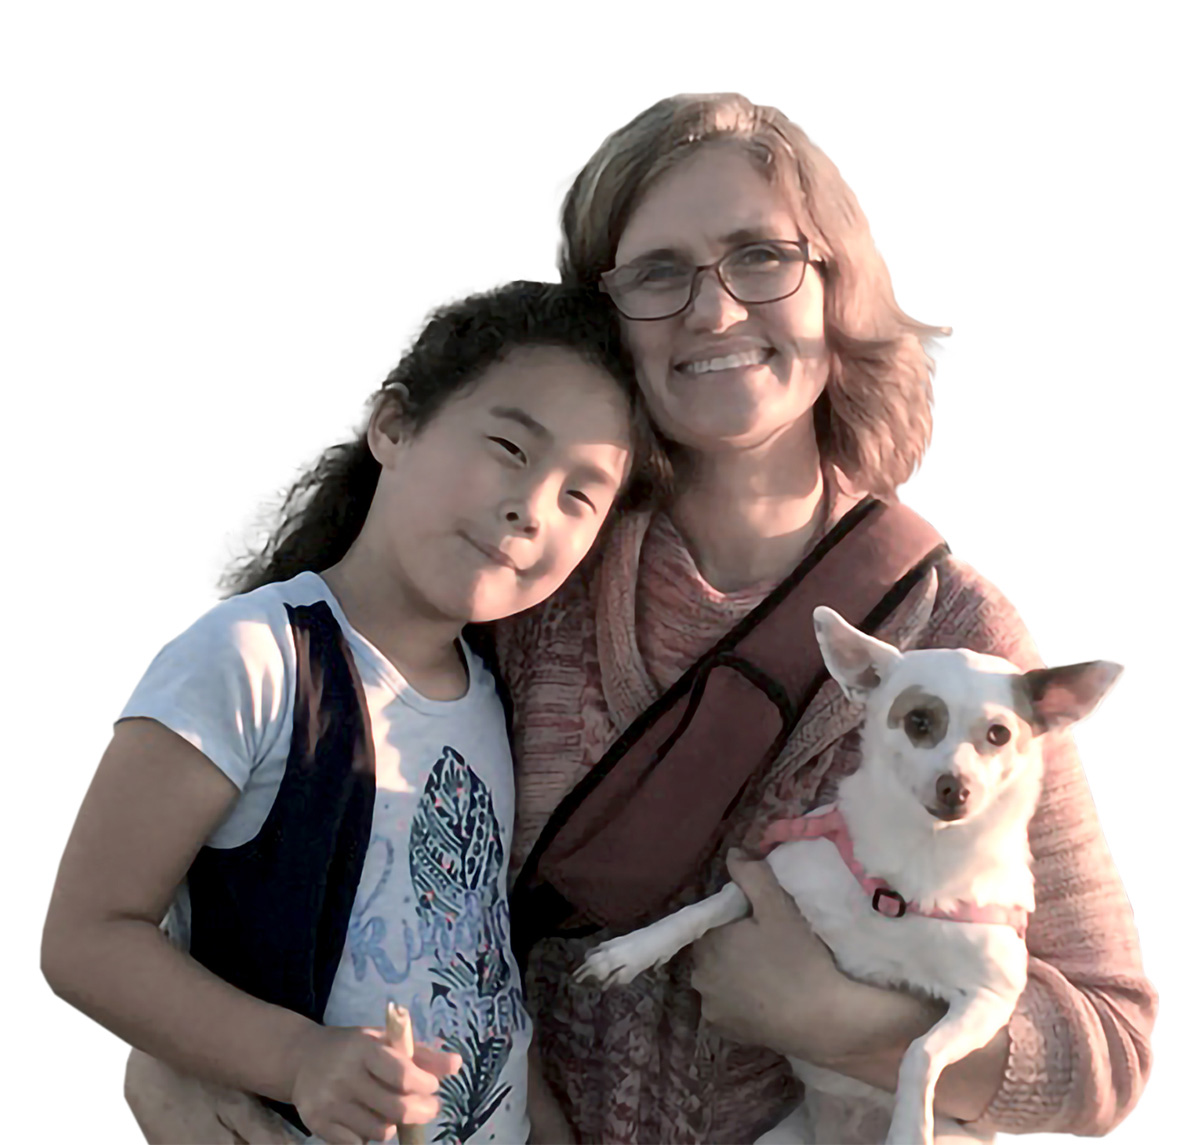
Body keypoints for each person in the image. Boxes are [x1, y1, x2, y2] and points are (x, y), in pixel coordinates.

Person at [121, 94, 1155, 1143]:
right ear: (605, 316)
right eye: (659, 272)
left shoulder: (955, 633)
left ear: (838, 284)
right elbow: (278, 838)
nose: (713, 312)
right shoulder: (529, 568)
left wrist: (845, 1023)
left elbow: (1112, 1048)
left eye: (761, 256)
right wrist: (170, 1056)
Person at [41, 281, 664, 1145]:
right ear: (394, 426)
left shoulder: (501, 700)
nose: (531, 508)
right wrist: (300, 1058)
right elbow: (85, 936)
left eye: (580, 496)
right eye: (509, 447)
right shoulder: (256, 658)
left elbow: (480, 982)